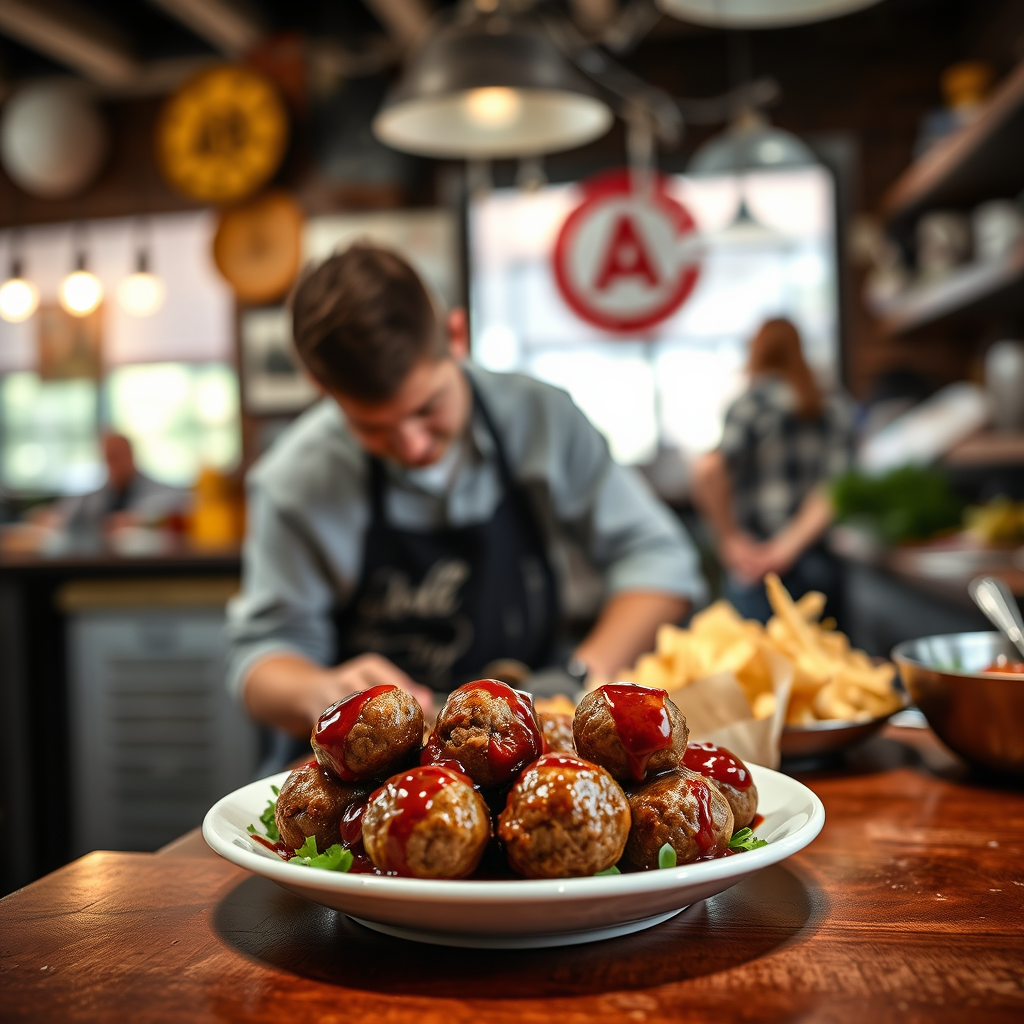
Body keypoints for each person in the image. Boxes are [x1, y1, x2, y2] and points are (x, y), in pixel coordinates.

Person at [227, 244, 706, 742]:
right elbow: (262, 656)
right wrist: (316, 688)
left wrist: (582, 673)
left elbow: (659, 558)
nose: (412, 446)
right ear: (318, 387)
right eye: (373, 428)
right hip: (374, 762)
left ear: (457, 336)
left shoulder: (540, 421)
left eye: (428, 408)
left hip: (535, 734)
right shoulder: (295, 481)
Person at [691, 318, 854, 623]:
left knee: (752, 664)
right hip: (815, 561)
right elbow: (835, 488)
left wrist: (729, 540)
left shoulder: (749, 404)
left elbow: (707, 470)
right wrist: (785, 548)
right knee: (827, 663)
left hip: (754, 562)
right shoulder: (832, 403)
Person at [40, 432, 183, 540]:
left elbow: (179, 505)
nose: (112, 463)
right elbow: (63, 514)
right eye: (108, 457)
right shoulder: (99, 491)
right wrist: (55, 517)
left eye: (117, 455)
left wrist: (136, 520)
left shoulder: (155, 489)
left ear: (131, 455)